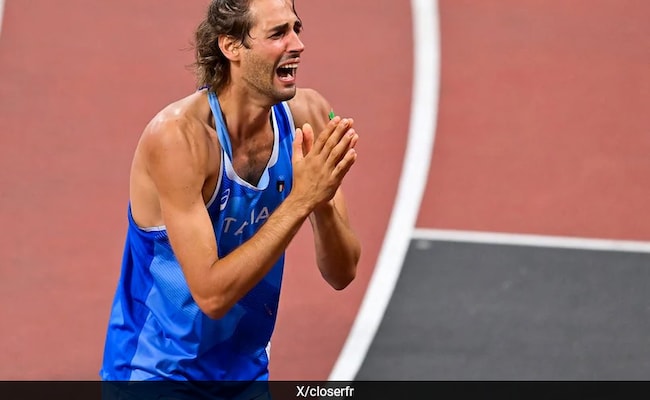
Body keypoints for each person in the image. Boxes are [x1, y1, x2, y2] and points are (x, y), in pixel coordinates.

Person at [100, 0, 361, 398]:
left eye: (296, 28)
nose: (298, 44)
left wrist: (322, 201)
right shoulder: (178, 140)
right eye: (278, 34)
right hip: (155, 371)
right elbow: (211, 295)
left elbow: (342, 273)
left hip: (245, 373)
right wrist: (301, 198)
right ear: (231, 47)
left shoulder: (309, 114)